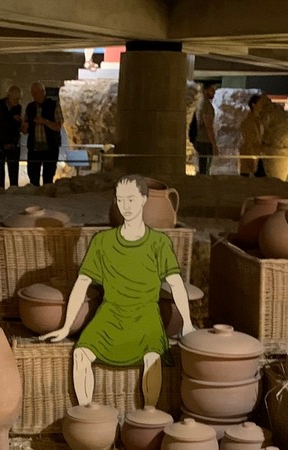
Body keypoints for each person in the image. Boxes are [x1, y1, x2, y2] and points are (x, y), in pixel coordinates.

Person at [41, 175, 194, 410]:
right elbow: (82, 284)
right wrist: (65, 326)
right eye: (120, 200)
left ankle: (149, 416)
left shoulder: (159, 242)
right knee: (80, 353)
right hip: (110, 314)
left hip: (146, 314)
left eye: (131, 199)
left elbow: (175, 284)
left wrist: (188, 323)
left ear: (144, 200)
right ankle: (87, 415)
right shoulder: (102, 241)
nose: (125, 206)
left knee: (152, 356)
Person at [24, 81, 64, 186]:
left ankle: (46, 195)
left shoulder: (54, 105)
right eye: (33, 93)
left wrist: (45, 122)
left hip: (50, 148)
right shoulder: (30, 107)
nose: (34, 95)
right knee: (33, 177)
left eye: (36, 92)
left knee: (48, 177)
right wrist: (24, 127)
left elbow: (58, 126)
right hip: (34, 148)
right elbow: (26, 127)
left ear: (43, 92)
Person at [0, 84, 24, 188]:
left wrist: (20, 123)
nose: (17, 101)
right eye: (15, 99)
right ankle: (0, 190)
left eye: (18, 99)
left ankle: (13, 191)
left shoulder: (18, 107)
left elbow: (21, 128)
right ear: (9, 95)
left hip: (13, 145)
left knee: (14, 174)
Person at [191, 81, 217, 175]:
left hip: (200, 140)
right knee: (205, 171)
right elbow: (208, 126)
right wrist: (214, 144)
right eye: (212, 90)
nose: (214, 92)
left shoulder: (200, 103)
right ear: (206, 90)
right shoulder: (206, 105)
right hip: (205, 141)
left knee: (202, 168)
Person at [239, 93, 267, 177]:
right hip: (250, 153)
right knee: (246, 176)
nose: (262, 106)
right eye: (260, 103)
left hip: (256, 153)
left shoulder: (258, 120)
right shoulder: (248, 121)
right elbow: (249, 140)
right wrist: (253, 153)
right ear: (254, 105)